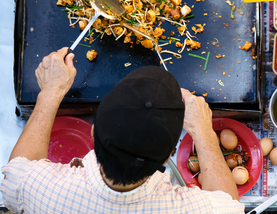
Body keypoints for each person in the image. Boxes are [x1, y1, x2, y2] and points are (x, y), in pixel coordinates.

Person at [1, 47, 245, 213]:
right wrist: (202, 131)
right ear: (170, 154)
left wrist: (51, 91)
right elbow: (229, 207)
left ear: (93, 131)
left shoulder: (42, 191)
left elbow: (15, 175)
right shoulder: (183, 208)